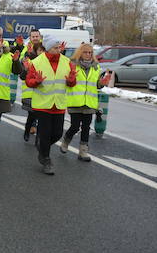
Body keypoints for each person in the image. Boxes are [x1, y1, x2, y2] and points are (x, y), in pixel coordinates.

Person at [24, 34, 78, 174]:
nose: (58, 49)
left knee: (58, 133)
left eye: (59, 47)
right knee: (46, 133)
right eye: (55, 47)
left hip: (58, 104)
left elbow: (71, 83)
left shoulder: (67, 62)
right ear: (48, 48)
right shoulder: (37, 62)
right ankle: (46, 159)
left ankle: (42, 146)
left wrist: (71, 80)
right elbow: (28, 82)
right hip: (43, 104)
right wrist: (37, 81)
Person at [61, 44, 111, 162]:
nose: (88, 54)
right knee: (74, 126)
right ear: (80, 53)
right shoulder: (72, 65)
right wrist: (70, 80)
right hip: (75, 101)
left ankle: (83, 151)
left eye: (90, 52)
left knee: (86, 127)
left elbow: (96, 84)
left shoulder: (96, 67)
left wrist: (102, 83)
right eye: (86, 52)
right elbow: (67, 82)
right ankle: (66, 140)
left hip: (89, 102)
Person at [20, 37, 45, 142]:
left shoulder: (47, 62)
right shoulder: (30, 61)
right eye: (39, 50)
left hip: (44, 93)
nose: (41, 53)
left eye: (43, 50)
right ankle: (27, 131)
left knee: (42, 117)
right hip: (31, 93)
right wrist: (26, 69)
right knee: (32, 115)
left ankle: (38, 138)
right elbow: (22, 76)